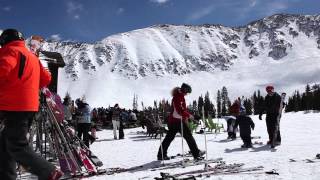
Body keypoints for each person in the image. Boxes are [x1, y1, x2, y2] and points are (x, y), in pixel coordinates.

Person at [0, 29, 63, 180]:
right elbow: (47, 78)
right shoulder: (32, 56)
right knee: (4, 144)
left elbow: (3, 70)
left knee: (17, 144)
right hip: (30, 107)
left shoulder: (9, 51)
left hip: (12, 106)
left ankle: (48, 171)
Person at [157, 83, 204, 160]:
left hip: (174, 121)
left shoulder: (180, 96)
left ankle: (161, 155)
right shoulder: (177, 97)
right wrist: (190, 116)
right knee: (189, 136)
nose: (187, 94)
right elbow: (179, 111)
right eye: (187, 92)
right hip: (177, 121)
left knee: (169, 138)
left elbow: (182, 110)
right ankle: (196, 154)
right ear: (184, 90)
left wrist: (189, 116)